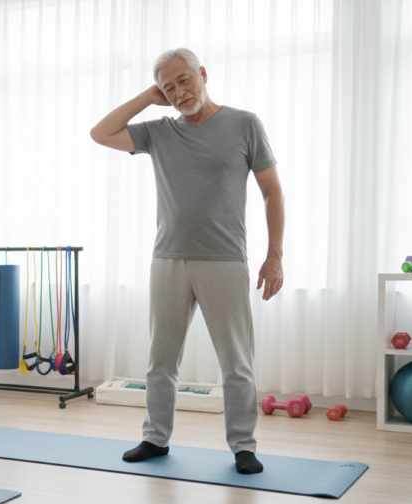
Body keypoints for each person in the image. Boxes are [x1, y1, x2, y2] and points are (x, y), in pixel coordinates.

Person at [90, 48, 285, 474]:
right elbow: (100, 133)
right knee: (160, 361)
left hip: (225, 261)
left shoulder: (244, 124)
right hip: (168, 260)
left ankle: (243, 446)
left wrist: (275, 256)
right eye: (168, 87)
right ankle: (155, 438)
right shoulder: (159, 132)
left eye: (183, 80)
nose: (178, 92)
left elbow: (272, 191)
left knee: (236, 362)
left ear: (203, 74)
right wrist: (148, 95)